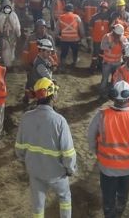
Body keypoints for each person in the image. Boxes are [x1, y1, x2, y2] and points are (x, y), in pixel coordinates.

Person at [87, 80, 129, 218]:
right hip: (128, 166)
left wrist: (96, 152)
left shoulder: (101, 115)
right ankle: (120, 207)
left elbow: (90, 137)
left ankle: (110, 213)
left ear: (113, 97)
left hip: (107, 166)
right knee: (123, 189)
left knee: (108, 194)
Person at [15, 77, 76, 218]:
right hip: (57, 174)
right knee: (65, 197)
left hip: (35, 171)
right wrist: (70, 169)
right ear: (52, 96)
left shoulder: (26, 118)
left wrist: (29, 162)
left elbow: (19, 149)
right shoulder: (59, 121)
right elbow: (68, 153)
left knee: (37, 205)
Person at [100, 24, 129, 96]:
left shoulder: (123, 38)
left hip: (117, 63)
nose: (118, 36)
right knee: (105, 79)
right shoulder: (107, 36)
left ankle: (112, 93)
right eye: (117, 34)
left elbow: (127, 47)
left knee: (115, 79)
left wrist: (122, 44)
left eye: (119, 35)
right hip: (107, 62)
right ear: (114, 32)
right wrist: (110, 45)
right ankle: (102, 93)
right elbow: (102, 46)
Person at [24, 38, 55, 104]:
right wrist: (52, 67)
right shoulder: (40, 64)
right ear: (41, 50)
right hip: (37, 88)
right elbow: (49, 78)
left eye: (50, 52)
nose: (50, 54)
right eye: (48, 52)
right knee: (53, 86)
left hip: (35, 85)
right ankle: (37, 99)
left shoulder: (41, 58)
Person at [56, 3, 85, 69]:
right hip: (75, 39)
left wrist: (59, 37)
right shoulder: (77, 17)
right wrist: (82, 37)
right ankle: (74, 63)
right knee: (75, 52)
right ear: (72, 10)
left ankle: (62, 65)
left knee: (64, 53)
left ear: (65, 10)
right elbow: (82, 30)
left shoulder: (60, 17)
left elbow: (56, 32)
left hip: (64, 39)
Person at [0, 0, 22, 67]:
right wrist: (18, 34)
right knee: (11, 49)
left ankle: (8, 64)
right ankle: (10, 63)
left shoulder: (0, 15)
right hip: (11, 35)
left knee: (6, 50)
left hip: (5, 35)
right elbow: (17, 26)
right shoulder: (13, 14)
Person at [89, 1, 112, 72]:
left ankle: (100, 67)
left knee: (102, 54)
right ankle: (93, 67)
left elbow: (110, 28)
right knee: (95, 53)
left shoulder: (109, 18)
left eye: (105, 7)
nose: (103, 9)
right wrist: (91, 37)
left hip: (105, 40)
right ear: (99, 8)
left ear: (107, 8)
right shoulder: (94, 17)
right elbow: (90, 28)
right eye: (102, 7)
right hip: (96, 39)